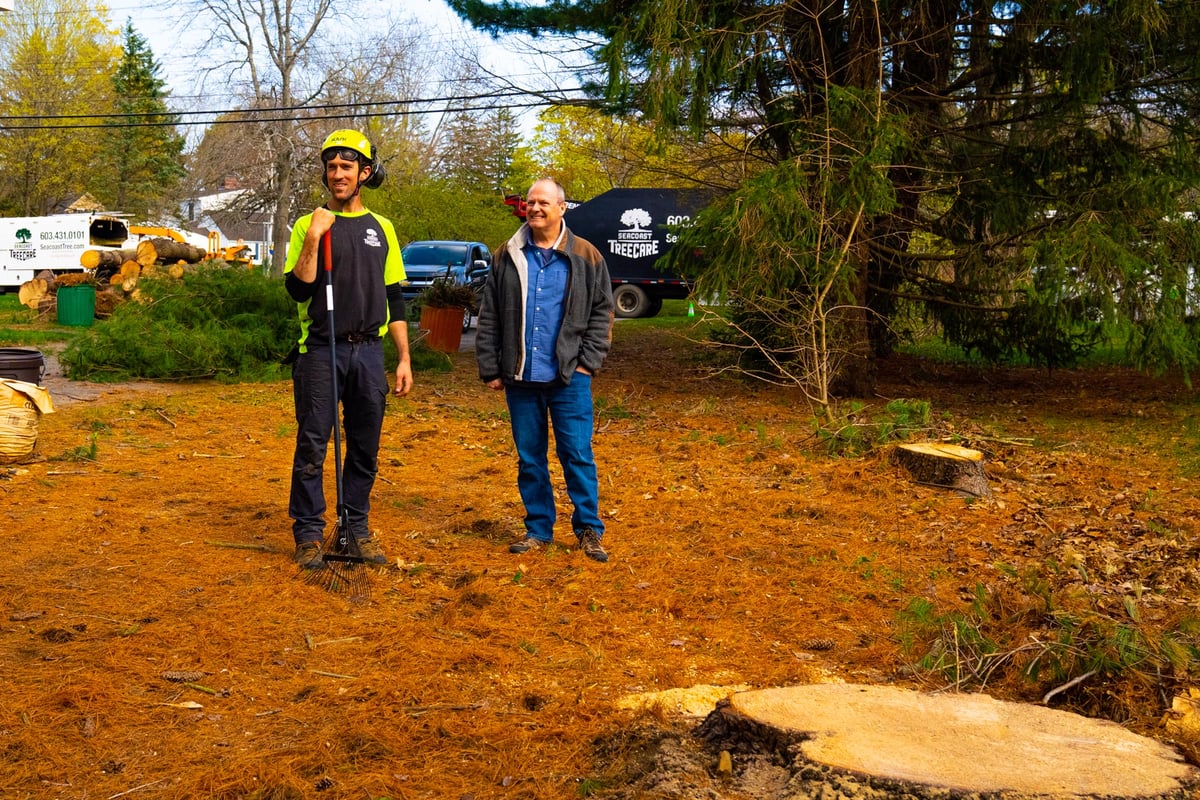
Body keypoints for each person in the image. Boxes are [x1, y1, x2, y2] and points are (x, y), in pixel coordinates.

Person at [284, 129, 413, 570]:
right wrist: (315, 237)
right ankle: (307, 533)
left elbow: (394, 295)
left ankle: (355, 528)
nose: (337, 174)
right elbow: (297, 292)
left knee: (364, 446)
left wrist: (404, 358)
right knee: (314, 444)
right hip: (321, 349)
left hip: (369, 351)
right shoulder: (309, 224)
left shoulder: (383, 229)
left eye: (346, 167)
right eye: (331, 167)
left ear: (365, 172)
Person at [476, 177, 614, 562]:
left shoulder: (586, 255)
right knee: (530, 458)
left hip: (569, 378)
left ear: (561, 208)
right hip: (521, 377)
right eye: (530, 203)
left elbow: (603, 312)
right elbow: (488, 316)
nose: (535, 209)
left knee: (577, 454)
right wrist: (490, 366)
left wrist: (589, 362)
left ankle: (589, 530)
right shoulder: (508, 254)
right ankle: (538, 530)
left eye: (544, 203)